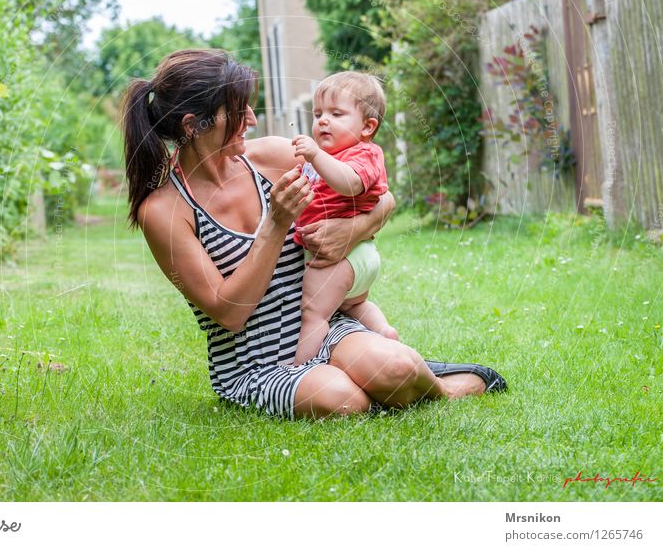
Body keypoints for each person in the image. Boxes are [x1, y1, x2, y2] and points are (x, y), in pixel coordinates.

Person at [122, 48, 506, 420]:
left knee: (396, 369)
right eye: (239, 111)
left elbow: (381, 197)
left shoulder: (272, 156)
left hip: (328, 326)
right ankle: (389, 378)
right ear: (194, 125)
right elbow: (228, 314)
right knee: (343, 400)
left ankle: (435, 387)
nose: (253, 119)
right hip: (256, 362)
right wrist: (275, 223)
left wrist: (352, 228)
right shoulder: (164, 211)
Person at [291, 71, 398, 366]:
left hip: (344, 256)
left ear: (367, 127)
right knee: (354, 304)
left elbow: (350, 184)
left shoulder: (364, 154)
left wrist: (315, 155)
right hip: (356, 257)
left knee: (314, 314)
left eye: (336, 114)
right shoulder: (329, 157)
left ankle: (297, 370)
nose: (323, 120)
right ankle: (383, 331)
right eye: (318, 113)